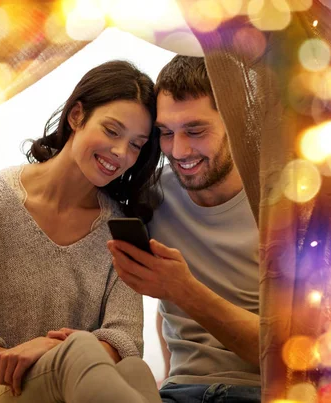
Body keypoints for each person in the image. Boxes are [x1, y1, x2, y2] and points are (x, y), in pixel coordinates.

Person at [0, 60, 163, 403]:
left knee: (135, 371)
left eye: (136, 144)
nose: (121, 153)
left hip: (77, 390)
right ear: (76, 116)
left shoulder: (119, 229)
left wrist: (51, 351)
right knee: (79, 351)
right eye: (112, 131)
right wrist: (18, 359)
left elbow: (126, 340)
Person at [108, 55, 261, 402]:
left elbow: (290, 356)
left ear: (238, 121)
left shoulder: (282, 206)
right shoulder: (151, 197)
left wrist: (182, 289)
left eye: (195, 130)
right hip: (179, 393)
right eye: (165, 133)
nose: (178, 151)